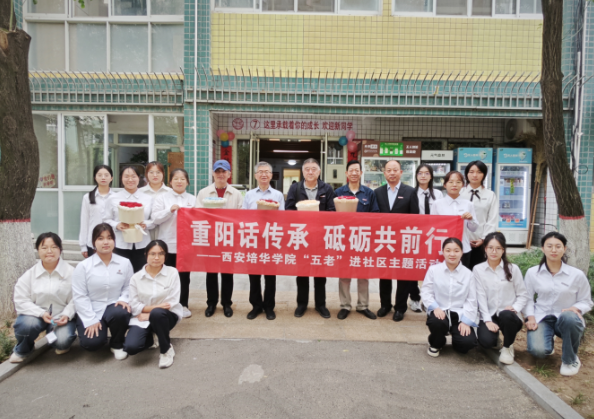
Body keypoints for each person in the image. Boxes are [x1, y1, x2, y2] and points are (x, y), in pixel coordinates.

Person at [525, 232, 593, 376]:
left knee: (569, 317)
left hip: (566, 318)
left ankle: (570, 359)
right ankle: (548, 338)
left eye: (558, 246)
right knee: (538, 351)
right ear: (543, 248)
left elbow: (586, 301)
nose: (554, 250)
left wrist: (575, 308)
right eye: (549, 246)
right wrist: (530, 317)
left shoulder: (576, 275)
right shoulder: (532, 273)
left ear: (564, 249)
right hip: (542, 317)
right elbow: (527, 298)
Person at [10, 233, 77, 363]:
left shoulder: (71, 273)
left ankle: (54, 338)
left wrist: (67, 314)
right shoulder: (30, 275)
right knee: (26, 325)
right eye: (44, 247)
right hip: (35, 316)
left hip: (60, 318)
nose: (49, 251)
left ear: (60, 249)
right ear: (38, 250)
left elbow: (77, 298)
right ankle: (23, 349)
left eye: (54, 247)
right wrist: (41, 313)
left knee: (62, 342)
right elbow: (20, 300)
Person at [72, 223, 133, 360]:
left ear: (114, 241)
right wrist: (90, 320)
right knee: (92, 344)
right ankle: (100, 334)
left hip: (114, 305)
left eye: (109, 238)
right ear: (93, 242)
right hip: (91, 308)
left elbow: (129, 287)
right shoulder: (83, 266)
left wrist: (123, 299)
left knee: (121, 312)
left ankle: (117, 344)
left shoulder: (125, 263)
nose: (106, 242)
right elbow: (80, 296)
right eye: (100, 238)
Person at [286, 158, 337, 319]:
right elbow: (288, 211)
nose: (310, 172)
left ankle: (320, 304)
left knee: (320, 273)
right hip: (301, 237)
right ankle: (302, 304)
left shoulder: (327, 189)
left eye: (313, 169)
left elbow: (332, 211)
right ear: (303, 171)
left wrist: (317, 216)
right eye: (307, 169)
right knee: (302, 272)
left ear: (319, 171)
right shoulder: (295, 188)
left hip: (320, 237)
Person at [195, 159, 244, 318]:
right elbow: (197, 214)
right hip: (210, 239)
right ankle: (211, 303)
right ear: (213, 173)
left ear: (229, 174)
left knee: (227, 273)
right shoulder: (204, 193)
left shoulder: (236, 194)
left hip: (228, 238)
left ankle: (227, 303)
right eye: (218, 171)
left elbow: (241, 216)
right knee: (211, 273)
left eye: (224, 172)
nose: (221, 174)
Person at [123, 240, 182, 369]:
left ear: (165, 256)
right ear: (146, 255)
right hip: (142, 318)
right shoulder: (136, 278)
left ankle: (166, 350)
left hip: (167, 316)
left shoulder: (172, 273)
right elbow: (134, 305)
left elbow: (171, 302)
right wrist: (152, 312)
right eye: (152, 254)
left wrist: (150, 313)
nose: (157, 257)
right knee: (131, 347)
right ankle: (152, 337)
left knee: (157, 314)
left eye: (161, 253)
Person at [374, 160, 419, 321]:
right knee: (384, 274)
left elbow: (415, 217)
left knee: (403, 275)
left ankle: (400, 308)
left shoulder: (410, 191)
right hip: (384, 240)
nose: (392, 173)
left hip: (403, 241)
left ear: (401, 172)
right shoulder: (377, 192)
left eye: (395, 170)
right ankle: (385, 305)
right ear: (384, 173)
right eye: (389, 170)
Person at [474, 232, 529, 365]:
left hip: (509, 316)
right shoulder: (478, 269)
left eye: (498, 248)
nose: (494, 251)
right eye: (490, 248)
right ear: (485, 249)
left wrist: (515, 308)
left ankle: (507, 347)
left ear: (503, 250)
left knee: (506, 315)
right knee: (486, 342)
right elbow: (480, 297)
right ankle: (495, 339)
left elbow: (523, 294)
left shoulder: (513, 269)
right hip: (490, 314)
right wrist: (487, 320)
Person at [334, 160, 379, 320]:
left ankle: (363, 305)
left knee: (363, 274)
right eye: (351, 170)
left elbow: (375, 215)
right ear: (346, 173)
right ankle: (345, 305)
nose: (354, 173)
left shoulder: (369, 193)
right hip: (344, 239)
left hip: (363, 239)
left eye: (356, 170)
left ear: (361, 173)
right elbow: (331, 216)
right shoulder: (338, 192)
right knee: (344, 274)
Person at [242, 162, 285, 321]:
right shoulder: (249, 195)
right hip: (253, 240)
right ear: (255, 176)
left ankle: (269, 307)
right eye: (260, 172)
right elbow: (244, 216)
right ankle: (256, 306)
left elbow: (282, 217)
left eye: (267, 171)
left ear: (271, 175)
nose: (264, 174)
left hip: (271, 240)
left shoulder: (278, 195)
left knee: (270, 276)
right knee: (254, 275)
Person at [420, 238, 478, 357]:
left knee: (467, 343)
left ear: (462, 252)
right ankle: (436, 342)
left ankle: (456, 340)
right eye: (448, 250)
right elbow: (426, 292)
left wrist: (466, 321)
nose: (452, 254)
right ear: (443, 252)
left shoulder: (468, 274)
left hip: (459, 314)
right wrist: (435, 307)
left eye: (456, 251)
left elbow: (471, 300)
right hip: (440, 311)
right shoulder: (434, 270)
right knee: (437, 323)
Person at [151, 169, 195, 319]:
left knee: (184, 277)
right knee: (166, 276)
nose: (179, 181)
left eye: (182, 179)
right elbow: (155, 219)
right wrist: (169, 210)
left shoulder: (192, 199)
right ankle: (166, 304)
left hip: (186, 245)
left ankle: (183, 304)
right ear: (170, 181)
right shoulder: (162, 198)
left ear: (187, 182)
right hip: (167, 244)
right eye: (176, 178)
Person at [104, 166, 155, 272]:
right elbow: (106, 219)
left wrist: (146, 224)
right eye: (126, 176)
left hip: (142, 244)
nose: (130, 179)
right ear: (121, 178)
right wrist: (117, 225)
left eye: (133, 176)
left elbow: (154, 220)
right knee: (120, 274)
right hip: (120, 243)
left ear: (139, 178)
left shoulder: (148, 198)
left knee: (141, 274)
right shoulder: (113, 198)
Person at [411, 163, 443, 313]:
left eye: (426, 173)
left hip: (433, 236)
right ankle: (415, 298)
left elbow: (443, 215)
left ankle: (431, 300)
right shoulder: (411, 193)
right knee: (414, 267)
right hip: (416, 235)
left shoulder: (438, 194)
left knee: (432, 267)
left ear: (431, 176)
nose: (423, 176)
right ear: (416, 176)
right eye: (420, 173)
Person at [430, 171, 478, 269]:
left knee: (462, 275)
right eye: (451, 182)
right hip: (442, 249)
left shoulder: (468, 204)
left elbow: (474, 228)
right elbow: (432, 226)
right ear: (445, 184)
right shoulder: (437, 204)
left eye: (458, 182)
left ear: (463, 185)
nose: (454, 185)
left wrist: (471, 219)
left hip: (463, 248)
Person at [460, 161, 498, 269]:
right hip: (461, 242)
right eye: (471, 172)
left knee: (478, 271)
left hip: (480, 242)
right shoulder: (460, 193)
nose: (475, 175)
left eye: (479, 172)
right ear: (466, 174)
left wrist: (484, 239)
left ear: (484, 175)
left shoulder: (490, 195)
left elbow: (492, 219)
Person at [79, 165, 114, 258]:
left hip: (112, 242)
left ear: (111, 178)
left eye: (106, 175)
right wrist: (83, 246)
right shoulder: (87, 197)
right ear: (95, 177)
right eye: (99, 175)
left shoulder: (116, 197)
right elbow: (84, 221)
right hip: (92, 242)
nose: (103, 177)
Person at [140, 161, 172, 240]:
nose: (155, 175)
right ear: (146, 174)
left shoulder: (170, 192)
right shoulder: (140, 192)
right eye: (151, 172)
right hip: (144, 232)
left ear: (163, 174)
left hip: (165, 233)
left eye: (158, 172)